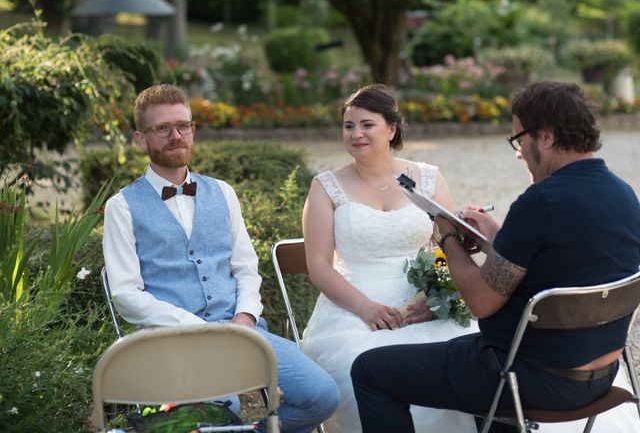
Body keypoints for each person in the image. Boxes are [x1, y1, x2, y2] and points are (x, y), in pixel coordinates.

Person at [351, 81, 640, 433]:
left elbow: (480, 303)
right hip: (599, 375)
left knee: (370, 371)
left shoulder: (541, 202)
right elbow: (558, 259)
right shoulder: (622, 195)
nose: (519, 153)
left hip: (526, 376)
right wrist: (497, 237)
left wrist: (448, 236)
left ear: (545, 137)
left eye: (519, 140)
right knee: (456, 351)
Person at [102, 84, 340, 433]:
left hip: (243, 333)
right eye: (162, 129)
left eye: (183, 126)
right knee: (218, 416)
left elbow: (246, 268)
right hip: (175, 344)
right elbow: (125, 294)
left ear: (193, 130)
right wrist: (199, 329)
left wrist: (244, 318)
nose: (175, 135)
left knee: (322, 396)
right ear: (141, 138)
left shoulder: (223, 192)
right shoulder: (121, 207)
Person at [301, 84, 479, 432]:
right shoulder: (326, 187)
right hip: (353, 309)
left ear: (392, 129)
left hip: (422, 305)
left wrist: (437, 298)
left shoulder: (427, 177)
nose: (356, 134)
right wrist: (366, 308)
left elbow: (448, 250)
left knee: (468, 362)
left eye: (367, 125)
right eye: (348, 126)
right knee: (359, 370)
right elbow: (318, 266)